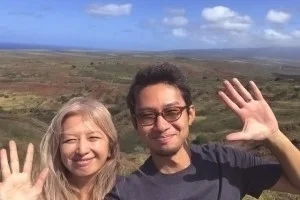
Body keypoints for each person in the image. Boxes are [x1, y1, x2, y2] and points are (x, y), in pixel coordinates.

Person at [106, 63, 300, 199]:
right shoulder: (126, 193)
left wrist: (274, 136)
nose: (161, 125)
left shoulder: (226, 162)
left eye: (172, 112)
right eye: (147, 116)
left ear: (190, 114)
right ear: (135, 123)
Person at [0, 97, 120, 200]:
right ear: (58, 149)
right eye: (70, 140)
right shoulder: (36, 194)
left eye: (93, 137)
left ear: (110, 147)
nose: (82, 150)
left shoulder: (129, 193)